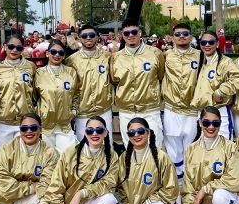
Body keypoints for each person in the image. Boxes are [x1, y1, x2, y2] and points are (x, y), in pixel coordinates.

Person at [45, 116, 118, 204]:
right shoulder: (70, 153)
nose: (94, 134)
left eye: (99, 130)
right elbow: (55, 187)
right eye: (90, 130)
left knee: (109, 199)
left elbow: (109, 183)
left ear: (106, 133)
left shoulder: (111, 155)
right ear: (85, 133)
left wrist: (83, 192)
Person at [110, 118, 179, 204]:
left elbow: (171, 190)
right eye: (132, 132)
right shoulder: (124, 159)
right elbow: (121, 190)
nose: (136, 135)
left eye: (140, 131)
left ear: (148, 133)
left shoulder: (161, 157)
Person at [110, 19, 165, 147]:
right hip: (126, 111)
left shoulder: (155, 53)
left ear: (140, 32)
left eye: (134, 32)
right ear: (122, 35)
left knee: (154, 147)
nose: (130, 35)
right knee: (130, 148)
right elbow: (114, 81)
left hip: (150, 109)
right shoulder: (116, 57)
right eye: (126, 33)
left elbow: (161, 76)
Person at [162, 22, 200, 183]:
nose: (181, 37)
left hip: (192, 108)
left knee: (190, 145)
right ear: (172, 38)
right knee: (172, 145)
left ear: (191, 37)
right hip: (172, 108)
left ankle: (189, 183)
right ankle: (176, 184)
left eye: (185, 34)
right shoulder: (166, 56)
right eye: (177, 34)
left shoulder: (200, 55)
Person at [191, 30, 239, 140]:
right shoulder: (200, 61)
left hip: (219, 110)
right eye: (203, 42)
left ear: (217, 43)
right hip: (202, 111)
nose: (207, 45)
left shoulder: (225, 62)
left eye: (211, 42)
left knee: (223, 145)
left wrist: (221, 91)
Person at [65, 24, 115, 141]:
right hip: (82, 111)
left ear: (97, 37)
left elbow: (114, 79)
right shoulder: (71, 60)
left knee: (107, 143)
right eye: (84, 36)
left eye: (92, 35)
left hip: (104, 109)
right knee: (83, 145)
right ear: (79, 38)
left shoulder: (107, 57)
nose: (88, 38)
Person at [0, 33, 38, 149]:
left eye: (18, 48)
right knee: (3, 156)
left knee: (25, 156)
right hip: (3, 122)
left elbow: (36, 94)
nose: (14, 50)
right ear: (5, 46)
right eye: (11, 47)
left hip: (25, 122)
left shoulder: (30, 67)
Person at [35, 40, 79, 153]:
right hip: (45, 125)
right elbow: (33, 97)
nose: (57, 55)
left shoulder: (71, 72)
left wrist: (74, 111)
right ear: (47, 53)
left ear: (64, 55)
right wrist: (40, 114)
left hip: (65, 125)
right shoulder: (39, 73)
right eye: (53, 52)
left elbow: (75, 94)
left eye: (60, 53)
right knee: (48, 158)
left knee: (69, 154)